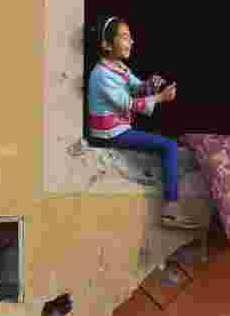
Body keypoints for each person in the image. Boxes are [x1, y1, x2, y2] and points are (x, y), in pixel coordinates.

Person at [86, 16, 200, 230]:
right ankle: (171, 210)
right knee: (169, 145)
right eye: (125, 37)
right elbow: (129, 104)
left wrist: (151, 85)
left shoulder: (119, 68)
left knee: (164, 140)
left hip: (120, 129)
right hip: (111, 133)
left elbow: (137, 88)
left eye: (130, 37)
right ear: (106, 44)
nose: (131, 42)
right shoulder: (101, 75)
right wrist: (159, 98)